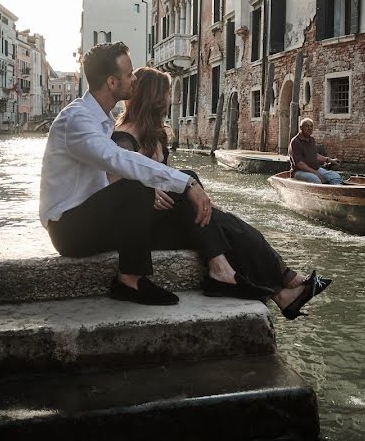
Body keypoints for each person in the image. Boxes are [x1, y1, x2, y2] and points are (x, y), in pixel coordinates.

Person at [112, 67, 331, 319]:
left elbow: (169, 179)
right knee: (210, 205)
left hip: (172, 217)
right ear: (154, 97)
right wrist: (150, 191)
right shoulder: (124, 137)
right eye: (168, 94)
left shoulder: (157, 136)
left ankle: (283, 292)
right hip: (145, 229)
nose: (171, 100)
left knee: (226, 223)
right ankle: (282, 281)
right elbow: (117, 188)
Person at [40, 42, 247, 307]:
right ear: (113, 82)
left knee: (187, 181)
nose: (135, 78)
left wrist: (185, 181)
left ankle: (220, 269)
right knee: (138, 186)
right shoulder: (77, 120)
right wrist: (185, 185)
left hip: (98, 219)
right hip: (69, 229)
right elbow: (119, 159)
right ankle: (130, 281)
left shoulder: (101, 118)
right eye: (129, 75)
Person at [288, 118, 343, 184]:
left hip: (315, 169)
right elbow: (299, 164)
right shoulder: (295, 142)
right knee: (315, 179)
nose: (309, 128)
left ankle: (334, 192)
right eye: (307, 126)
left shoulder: (311, 140)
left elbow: (315, 155)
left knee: (335, 176)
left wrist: (329, 160)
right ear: (301, 128)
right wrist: (315, 173)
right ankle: (320, 193)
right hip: (299, 172)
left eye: (311, 126)